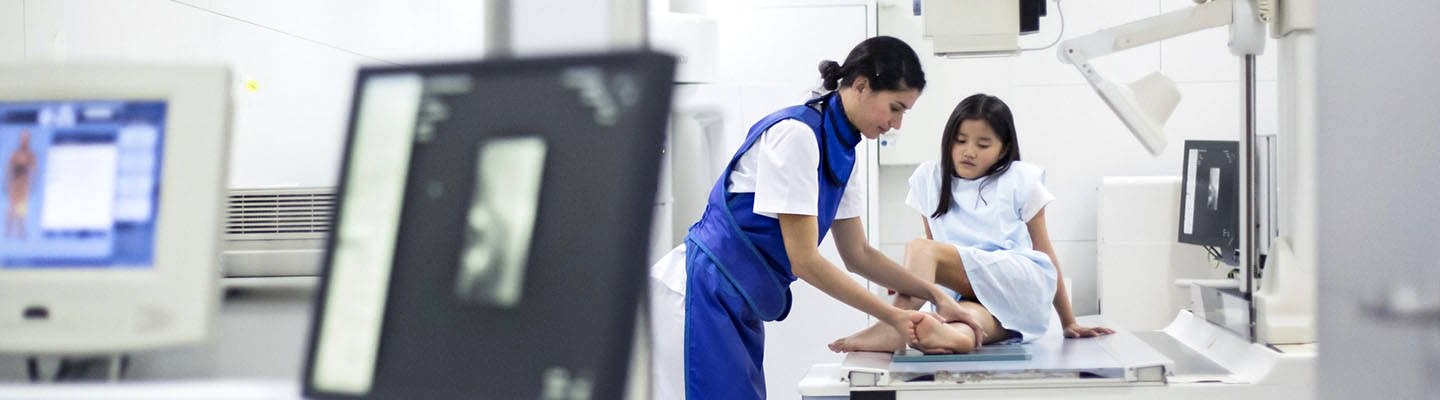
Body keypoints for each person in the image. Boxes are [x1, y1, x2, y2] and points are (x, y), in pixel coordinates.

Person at [648, 36, 981, 400]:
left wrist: (932, 292)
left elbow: (858, 254)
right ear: (861, 86)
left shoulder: (843, 150)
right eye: (895, 108)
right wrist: (893, 318)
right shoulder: (797, 135)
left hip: (738, 298)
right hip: (700, 289)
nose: (897, 124)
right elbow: (804, 260)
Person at [829, 93, 1113, 355]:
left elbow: (1044, 253)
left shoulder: (1020, 179)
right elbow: (935, 265)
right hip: (971, 295)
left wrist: (1068, 321)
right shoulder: (930, 179)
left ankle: (893, 328)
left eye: (983, 144)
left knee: (922, 248)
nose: (969, 151)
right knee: (963, 328)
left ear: (1003, 150)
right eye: (960, 140)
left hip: (1018, 282)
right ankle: (951, 337)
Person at [6, 130, 36, 238]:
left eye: (26, 139)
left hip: (24, 184)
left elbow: (33, 170)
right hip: (14, 184)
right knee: (11, 207)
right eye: (22, 139)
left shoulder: (30, 155)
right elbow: (9, 168)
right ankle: (8, 230)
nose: (24, 141)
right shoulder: (15, 154)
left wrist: (32, 183)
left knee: (22, 208)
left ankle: (21, 231)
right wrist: (7, 182)